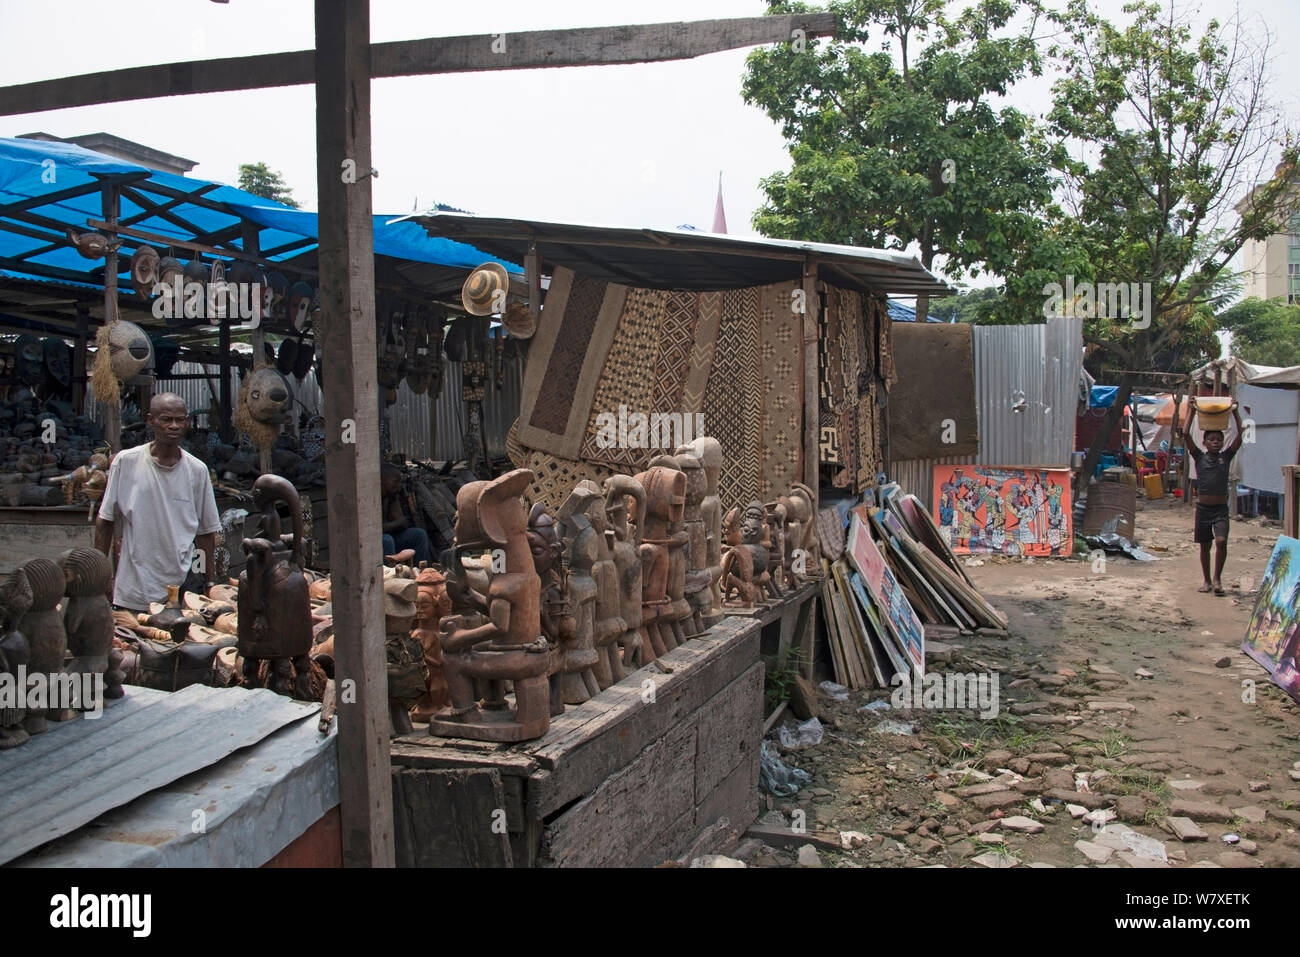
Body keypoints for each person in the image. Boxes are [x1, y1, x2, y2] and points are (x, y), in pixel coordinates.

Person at [94, 393, 221, 612]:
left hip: (182, 589)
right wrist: (100, 578)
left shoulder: (197, 470)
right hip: (134, 590)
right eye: (166, 419)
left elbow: (206, 531)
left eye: (180, 420)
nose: (173, 425)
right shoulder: (126, 463)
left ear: (187, 423)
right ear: (150, 420)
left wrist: (210, 583)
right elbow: (105, 521)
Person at [1184, 401, 1244, 595]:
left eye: (1219, 439)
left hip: (1220, 510)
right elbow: (1185, 434)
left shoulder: (1225, 457)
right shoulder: (1199, 457)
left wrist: (1235, 412)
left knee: (1221, 541)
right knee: (1205, 546)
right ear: (1205, 443)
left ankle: (1218, 579)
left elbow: (1241, 434)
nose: (1216, 442)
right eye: (1212, 440)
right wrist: (1192, 411)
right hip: (1203, 509)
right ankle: (1207, 581)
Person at [381, 463, 432, 565]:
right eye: (395, 481)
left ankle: (423, 572)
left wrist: (393, 499)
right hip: (377, 541)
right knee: (387, 540)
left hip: (390, 535)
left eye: (399, 482)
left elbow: (402, 522)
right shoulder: (370, 498)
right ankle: (391, 576)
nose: (398, 485)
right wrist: (395, 524)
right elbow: (374, 531)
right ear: (382, 481)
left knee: (419, 534)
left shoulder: (391, 496)